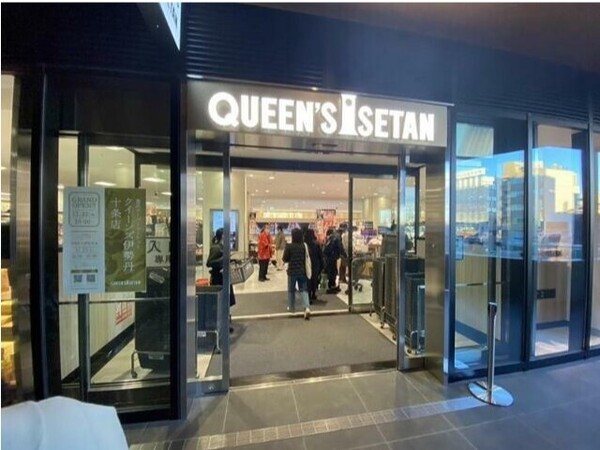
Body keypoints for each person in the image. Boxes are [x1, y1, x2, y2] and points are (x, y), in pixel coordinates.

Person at [205, 228, 235, 332]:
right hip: (218, 278)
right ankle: (222, 325)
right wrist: (224, 259)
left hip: (224, 277)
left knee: (226, 301)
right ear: (222, 235)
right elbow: (209, 263)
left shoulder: (223, 246)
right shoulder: (216, 248)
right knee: (221, 301)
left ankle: (225, 323)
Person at [283, 228, 311, 319]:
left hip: (292, 272)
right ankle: (306, 307)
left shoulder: (289, 246)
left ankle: (291, 307)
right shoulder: (304, 246)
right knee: (303, 289)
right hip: (302, 271)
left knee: (291, 290)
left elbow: (285, 258)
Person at [323, 228, 346, 294]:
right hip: (333, 257)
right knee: (333, 272)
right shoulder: (337, 238)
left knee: (331, 271)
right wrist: (345, 255)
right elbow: (340, 247)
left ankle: (331, 286)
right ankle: (332, 286)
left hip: (329, 257)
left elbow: (326, 249)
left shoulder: (331, 238)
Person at [304, 228, 324, 302]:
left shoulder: (304, 244)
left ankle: (308, 296)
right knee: (314, 279)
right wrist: (322, 265)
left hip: (307, 264)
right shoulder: (316, 244)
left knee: (307, 280)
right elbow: (320, 255)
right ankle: (313, 294)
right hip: (316, 264)